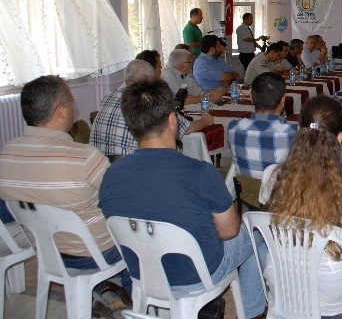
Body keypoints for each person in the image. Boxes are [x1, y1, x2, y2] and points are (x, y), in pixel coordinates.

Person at [98, 79, 266, 318]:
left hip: (142, 274)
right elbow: (229, 232)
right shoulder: (201, 173)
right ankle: (253, 311)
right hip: (199, 275)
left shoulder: (110, 175)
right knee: (254, 229)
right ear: (172, 120)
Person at [0, 75, 132, 298]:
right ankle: (134, 294)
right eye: (71, 101)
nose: (74, 107)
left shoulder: (6, 155)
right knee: (140, 234)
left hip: (46, 253)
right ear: (61, 111)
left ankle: (100, 290)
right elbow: (124, 202)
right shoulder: (85, 158)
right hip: (96, 253)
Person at [259, 95, 342, 317]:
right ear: (340, 137)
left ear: (298, 130)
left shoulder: (271, 176)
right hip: (334, 296)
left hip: (282, 285)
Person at [92, 59, 213, 159]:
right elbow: (186, 128)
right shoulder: (150, 100)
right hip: (135, 168)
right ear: (151, 80)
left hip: (100, 167)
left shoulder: (109, 97)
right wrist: (206, 120)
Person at [228, 72, 297, 178]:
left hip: (245, 188)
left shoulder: (233, 127)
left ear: (251, 97)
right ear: (283, 100)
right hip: (281, 188)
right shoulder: (295, 134)